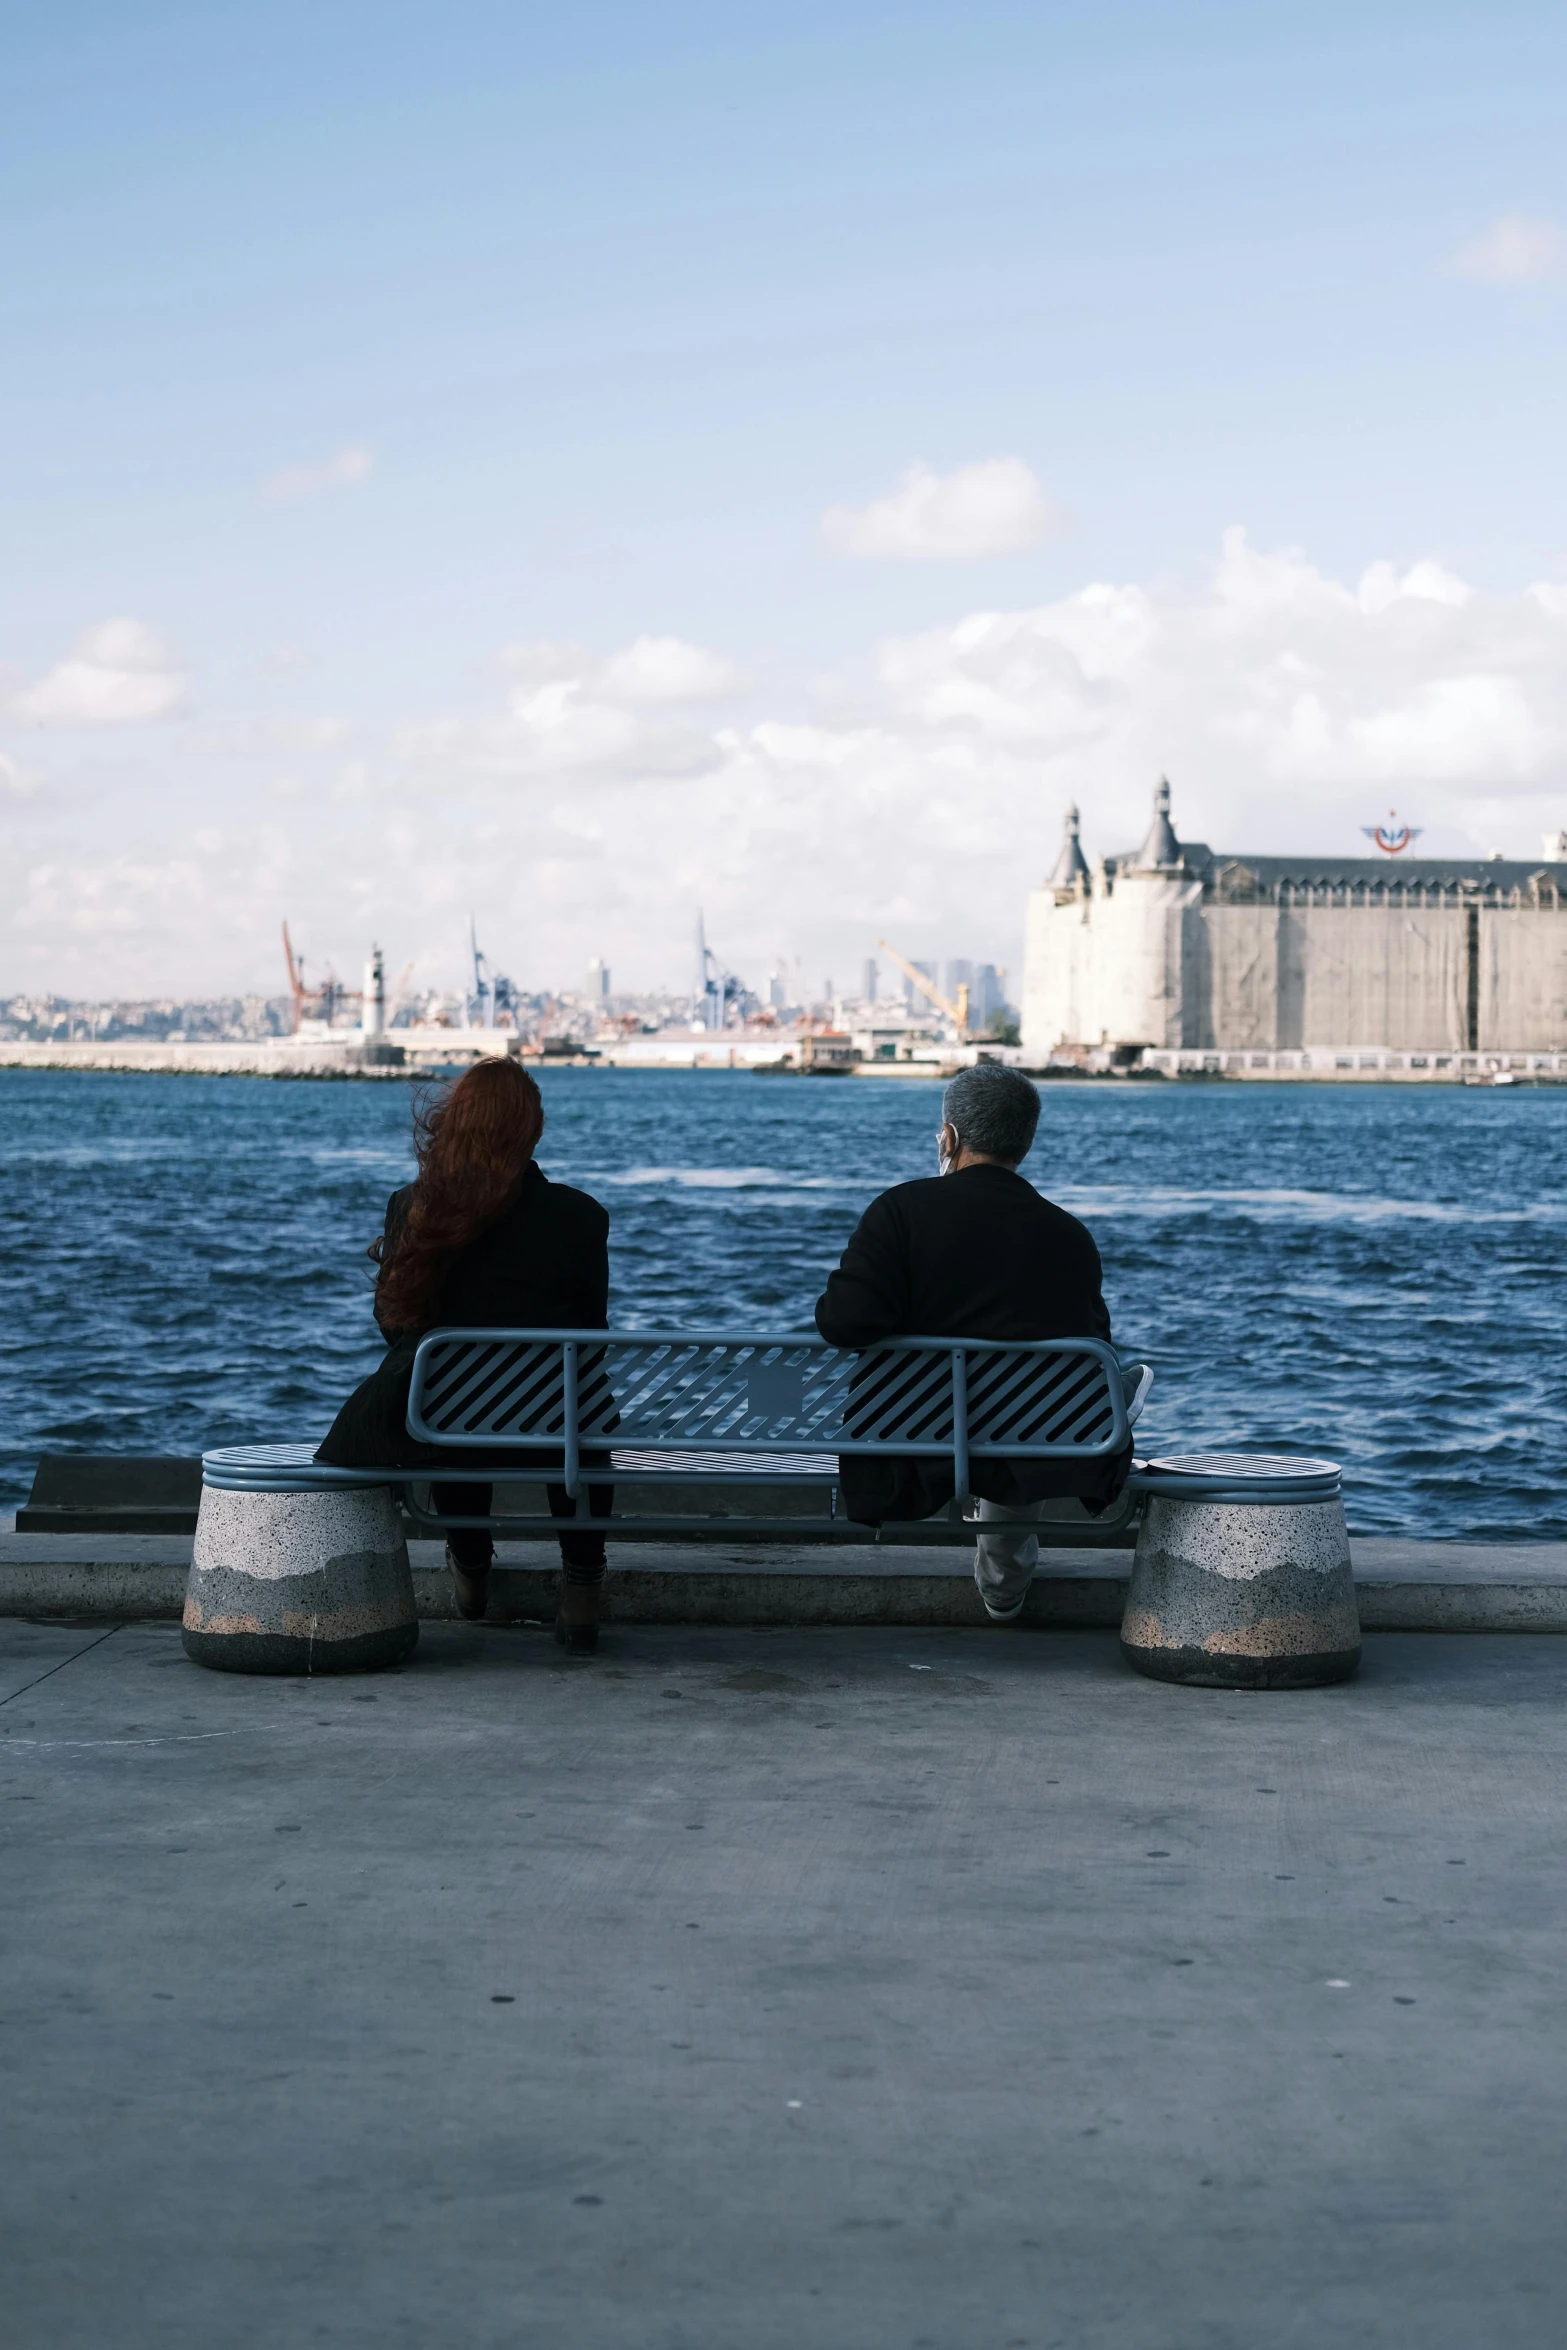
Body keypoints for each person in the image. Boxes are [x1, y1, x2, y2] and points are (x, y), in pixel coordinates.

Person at [814, 1060, 1128, 1622]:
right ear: (1024, 1144)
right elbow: (1089, 1349)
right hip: (1027, 1441)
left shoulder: (900, 1212)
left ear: (949, 1137)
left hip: (909, 1436)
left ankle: (1000, 1571)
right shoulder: (1068, 1235)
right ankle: (1004, 1580)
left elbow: (843, 1323)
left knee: (967, 1406)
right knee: (1024, 1411)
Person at [316, 1058, 612, 1652]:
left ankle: (471, 1566)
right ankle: (582, 1582)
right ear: (531, 1131)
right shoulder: (581, 1216)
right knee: (582, 1406)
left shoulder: (413, 1206)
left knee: (447, 1397)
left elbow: (393, 1322)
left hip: (447, 1420)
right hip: (554, 1422)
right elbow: (591, 1331)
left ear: (454, 1126)